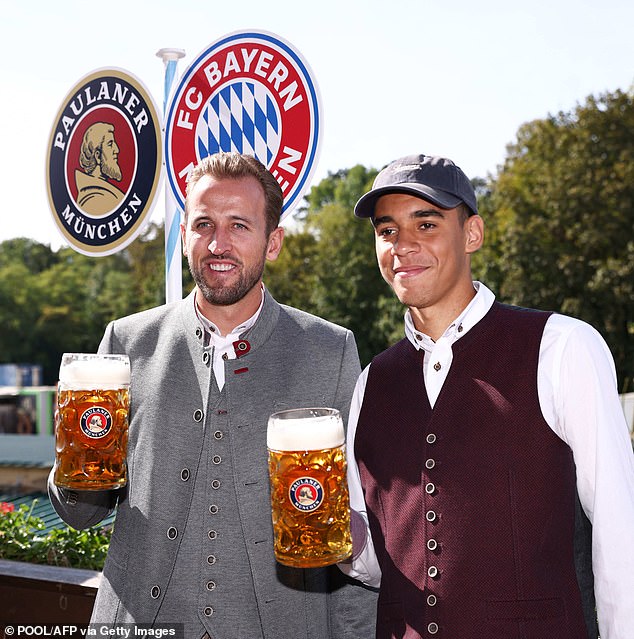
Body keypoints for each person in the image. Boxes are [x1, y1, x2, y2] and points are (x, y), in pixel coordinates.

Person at [49, 152, 377, 638]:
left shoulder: (330, 351)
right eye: (203, 223)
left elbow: (353, 532)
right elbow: (82, 512)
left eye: (240, 225)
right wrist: (71, 467)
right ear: (184, 237)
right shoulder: (125, 343)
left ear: (274, 242)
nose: (218, 243)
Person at [339, 154, 634, 638]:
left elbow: (620, 535)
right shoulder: (372, 383)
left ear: (472, 234)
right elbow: (379, 563)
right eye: (387, 230)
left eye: (426, 223)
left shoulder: (562, 347)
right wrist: (332, 534)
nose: (403, 245)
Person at [76, 122, 125, 216]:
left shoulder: (104, 193)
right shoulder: (93, 200)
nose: (117, 150)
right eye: (110, 144)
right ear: (97, 156)